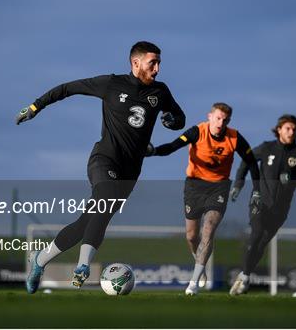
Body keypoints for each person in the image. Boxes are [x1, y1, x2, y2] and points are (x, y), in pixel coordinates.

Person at [16, 41, 186, 293]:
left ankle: (40, 260)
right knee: (103, 202)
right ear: (135, 62)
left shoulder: (161, 92)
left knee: (90, 221)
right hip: (104, 159)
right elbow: (67, 88)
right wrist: (35, 106)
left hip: (131, 172)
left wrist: (173, 122)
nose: (158, 69)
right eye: (153, 63)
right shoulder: (111, 83)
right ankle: (83, 268)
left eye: (159, 63)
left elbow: (179, 118)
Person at [146, 102, 260, 296]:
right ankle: (198, 259)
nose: (220, 123)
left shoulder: (234, 137)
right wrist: (154, 151)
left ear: (228, 121)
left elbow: (251, 162)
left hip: (219, 188)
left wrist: (256, 189)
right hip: (194, 186)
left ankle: (193, 283)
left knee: (208, 231)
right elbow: (173, 146)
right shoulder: (197, 131)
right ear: (209, 116)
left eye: (224, 120)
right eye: (217, 118)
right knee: (192, 236)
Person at [229, 114, 296, 295]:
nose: (291, 132)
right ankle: (243, 279)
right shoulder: (267, 147)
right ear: (279, 129)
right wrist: (238, 184)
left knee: (261, 245)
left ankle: (244, 276)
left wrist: (293, 179)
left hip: (280, 209)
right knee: (257, 233)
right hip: (259, 200)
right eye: (288, 128)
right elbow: (246, 160)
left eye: (294, 129)